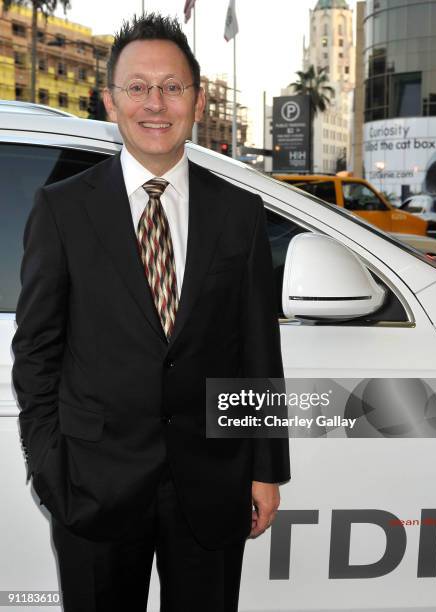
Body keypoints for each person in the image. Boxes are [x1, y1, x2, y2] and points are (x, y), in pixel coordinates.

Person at [12, 12, 290, 612]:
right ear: (110, 101)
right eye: (137, 87)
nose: (155, 103)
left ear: (197, 98)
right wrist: (48, 466)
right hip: (93, 485)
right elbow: (36, 350)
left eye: (172, 86)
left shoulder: (240, 213)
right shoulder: (62, 210)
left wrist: (266, 468)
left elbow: (256, 351)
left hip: (214, 483)